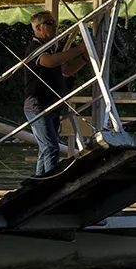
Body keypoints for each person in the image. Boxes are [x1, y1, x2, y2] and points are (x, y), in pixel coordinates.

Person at [23, 11, 90, 177]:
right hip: (37, 105)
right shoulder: (35, 47)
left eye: (54, 22)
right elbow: (50, 62)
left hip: (52, 104)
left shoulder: (54, 47)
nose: (55, 26)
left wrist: (84, 57)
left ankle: (38, 183)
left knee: (45, 149)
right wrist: (79, 48)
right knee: (51, 147)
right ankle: (50, 183)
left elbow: (65, 71)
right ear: (39, 27)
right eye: (50, 23)